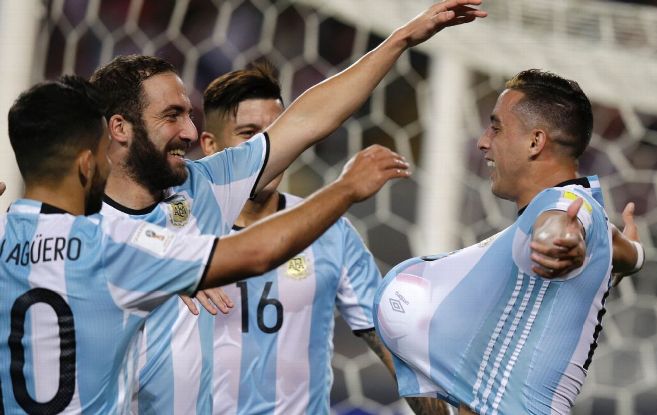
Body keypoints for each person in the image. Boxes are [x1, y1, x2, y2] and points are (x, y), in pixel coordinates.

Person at [89, 1, 487, 412]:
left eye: (190, 115)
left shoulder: (203, 188)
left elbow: (306, 121)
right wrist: (346, 188)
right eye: (172, 115)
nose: (189, 131)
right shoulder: (82, 235)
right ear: (119, 127)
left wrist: (401, 39)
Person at [0, 76, 407, 413]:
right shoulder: (113, 245)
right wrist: (346, 189)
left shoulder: (5, 240)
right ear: (88, 163)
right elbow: (256, 253)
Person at [373, 69, 645, 415]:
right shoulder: (593, 221)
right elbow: (626, 252)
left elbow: (561, 225)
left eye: (496, 127)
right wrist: (635, 254)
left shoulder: (563, 207)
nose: (483, 141)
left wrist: (557, 243)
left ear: (535, 141)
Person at [199, 62, 448, 415]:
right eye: (248, 134)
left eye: (274, 135)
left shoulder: (331, 231)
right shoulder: (178, 230)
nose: (264, 150)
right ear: (210, 146)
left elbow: (394, 348)